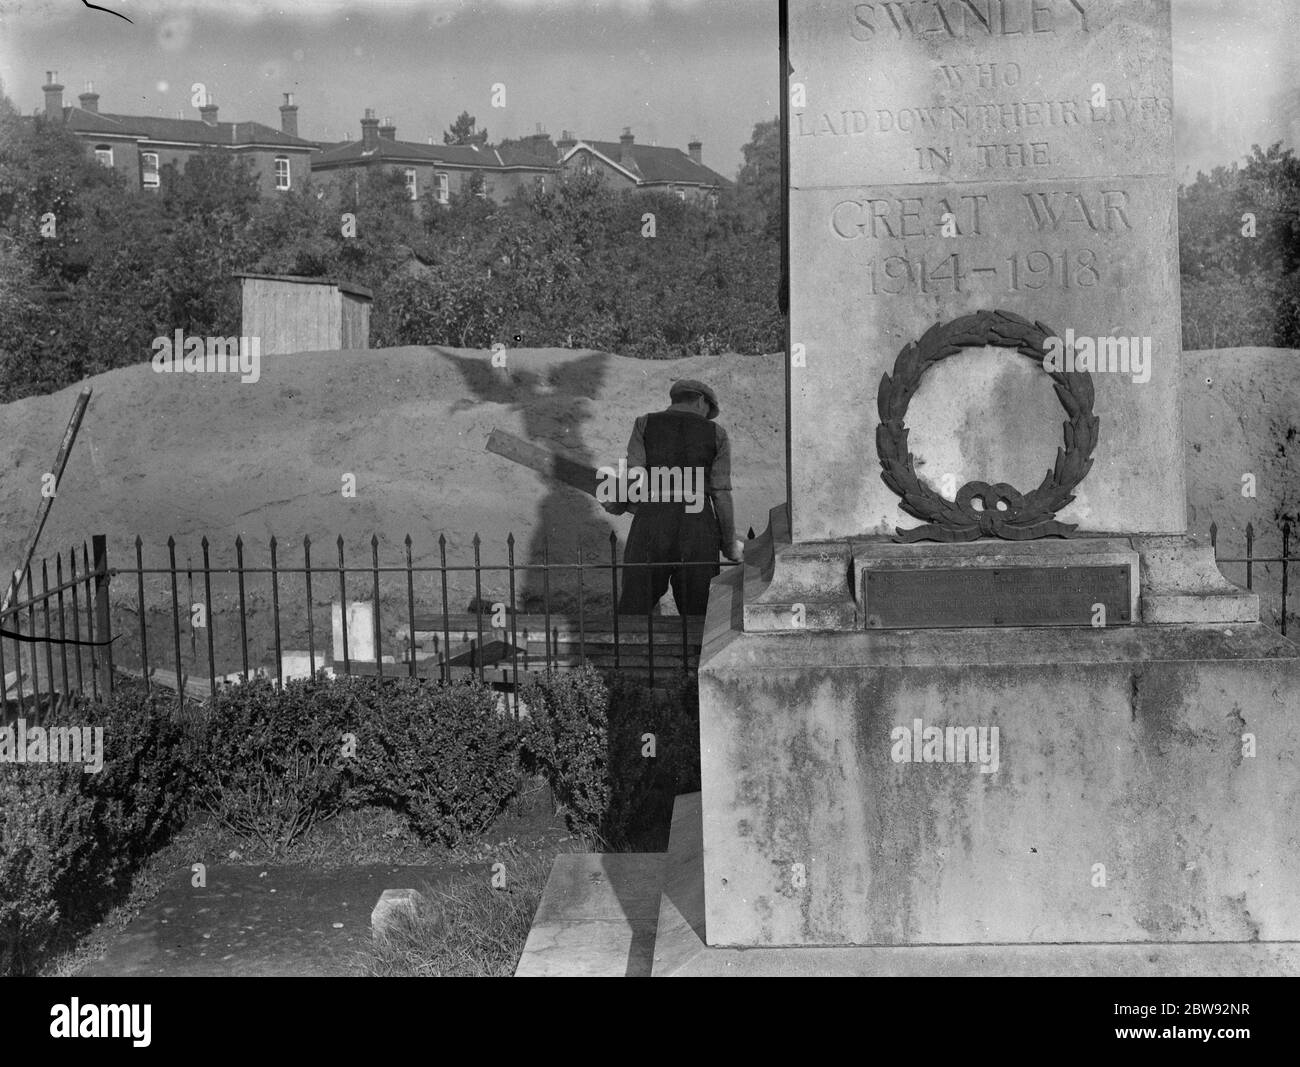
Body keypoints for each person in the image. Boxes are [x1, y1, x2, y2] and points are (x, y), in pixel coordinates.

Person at [603, 379, 744, 616]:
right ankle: (696, 654)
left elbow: (634, 474)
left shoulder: (645, 423)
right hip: (697, 524)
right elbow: (720, 493)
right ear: (701, 401)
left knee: (633, 610)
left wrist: (617, 504)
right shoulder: (717, 433)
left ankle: (626, 652)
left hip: (651, 521)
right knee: (700, 616)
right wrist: (729, 544)